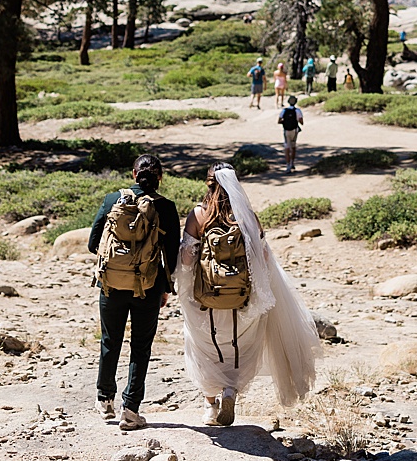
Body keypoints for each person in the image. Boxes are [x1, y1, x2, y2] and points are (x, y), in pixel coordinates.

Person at [175, 166, 320, 427]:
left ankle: (210, 406)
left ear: (208, 185)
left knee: (203, 345)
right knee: (238, 344)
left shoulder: (199, 214)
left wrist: (187, 283)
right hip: (240, 295)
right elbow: (262, 258)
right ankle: (230, 390)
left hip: (207, 295)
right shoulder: (247, 217)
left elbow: (187, 257)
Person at [88, 155, 180, 431]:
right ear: (160, 177)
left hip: (112, 284)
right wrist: (165, 288)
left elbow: (94, 244)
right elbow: (172, 256)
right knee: (141, 347)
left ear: (133, 174)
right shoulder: (166, 207)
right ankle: (130, 409)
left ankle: (105, 400)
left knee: (109, 340)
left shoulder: (112, 199)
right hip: (148, 287)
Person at [277, 94, 304, 171]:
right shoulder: (297, 111)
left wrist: (285, 122)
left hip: (286, 130)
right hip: (294, 130)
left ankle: (288, 165)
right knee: (293, 146)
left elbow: (279, 121)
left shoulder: (284, 110)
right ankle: (292, 163)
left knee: (287, 147)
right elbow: (301, 122)